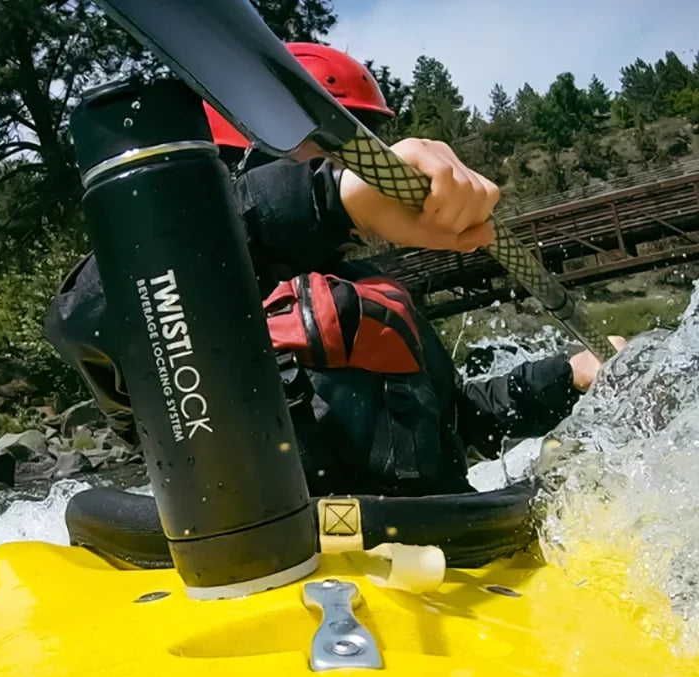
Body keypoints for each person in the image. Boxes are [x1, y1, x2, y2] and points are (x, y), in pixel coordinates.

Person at [47, 42, 624, 497]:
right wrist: (326, 200)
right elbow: (83, 316)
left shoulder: (377, 295)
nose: (356, 163)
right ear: (253, 156)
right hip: (283, 571)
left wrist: (568, 376)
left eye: (362, 147)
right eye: (334, 148)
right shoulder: (183, 301)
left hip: (442, 560)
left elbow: (456, 426)